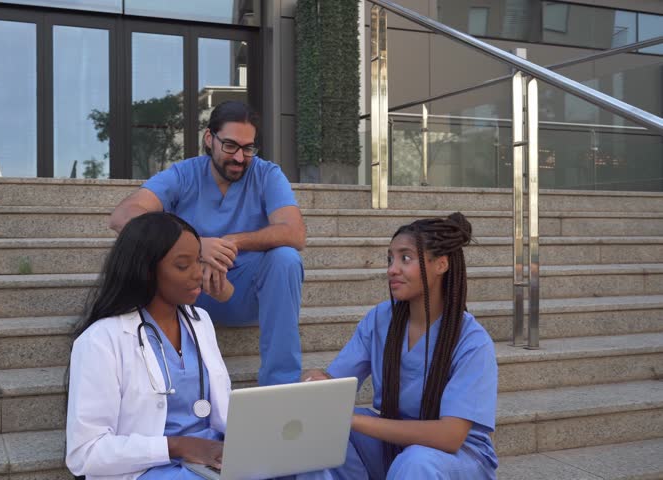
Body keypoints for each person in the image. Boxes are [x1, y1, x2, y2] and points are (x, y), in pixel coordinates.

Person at [109, 100, 306, 386]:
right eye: (230, 146)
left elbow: (295, 233)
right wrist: (196, 247)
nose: (239, 157)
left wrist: (230, 242)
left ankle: (282, 385)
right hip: (186, 292)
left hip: (241, 293)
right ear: (209, 139)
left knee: (286, 259)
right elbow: (122, 217)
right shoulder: (183, 174)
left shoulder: (267, 174)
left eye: (248, 148)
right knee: (141, 251)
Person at [302, 212, 498, 479]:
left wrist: (355, 420)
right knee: (324, 430)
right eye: (390, 259)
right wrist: (316, 380)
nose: (392, 269)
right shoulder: (380, 320)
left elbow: (450, 436)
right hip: (393, 449)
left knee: (417, 462)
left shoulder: (472, 341)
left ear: (441, 264)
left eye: (405, 258)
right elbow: (337, 384)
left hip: (455, 458)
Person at [66, 212, 234, 479]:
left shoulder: (200, 321)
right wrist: (178, 446)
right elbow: (85, 453)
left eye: (199, 261)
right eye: (182, 265)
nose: (197, 274)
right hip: (149, 468)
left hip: (214, 457)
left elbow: (222, 410)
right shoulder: (101, 340)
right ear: (146, 271)